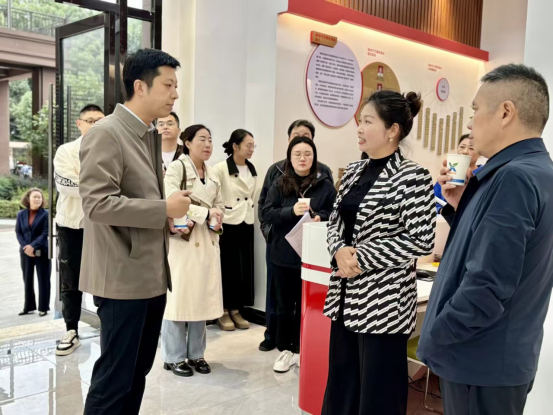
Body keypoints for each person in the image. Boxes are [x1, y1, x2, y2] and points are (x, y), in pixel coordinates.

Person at [418, 64, 553, 415]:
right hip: (499, 363)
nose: (470, 123)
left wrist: (435, 334)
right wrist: (459, 206)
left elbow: (487, 287)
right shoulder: (538, 171)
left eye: (476, 110)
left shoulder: (514, 178)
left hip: (478, 363)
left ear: (506, 112)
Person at [79, 49, 191, 414]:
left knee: (136, 374)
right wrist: (164, 209)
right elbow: (97, 204)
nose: (175, 94)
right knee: (115, 380)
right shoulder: (107, 133)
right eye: (168, 85)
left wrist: (167, 218)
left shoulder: (147, 134)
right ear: (140, 86)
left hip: (150, 276)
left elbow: (138, 198)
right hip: (121, 279)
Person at [321, 91, 436, 415]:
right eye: (360, 120)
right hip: (344, 297)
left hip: (384, 305)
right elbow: (335, 221)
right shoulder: (354, 171)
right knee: (342, 386)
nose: (359, 127)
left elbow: (422, 240)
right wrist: (338, 250)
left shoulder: (413, 177)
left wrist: (360, 256)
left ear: (392, 130)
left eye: (368, 121)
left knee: (378, 394)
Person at [258, 119, 333, 352]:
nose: (302, 158)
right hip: (283, 252)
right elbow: (266, 211)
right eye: (297, 154)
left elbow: (335, 212)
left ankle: (303, 347)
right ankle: (282, 346)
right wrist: (290, 211)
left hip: (312, 256)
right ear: (290, 156)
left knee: (306, 303)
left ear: (314, 155)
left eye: (307, 154)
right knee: (282, 304)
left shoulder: (325, 183)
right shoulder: (279, 181)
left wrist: (320, 216)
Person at [161, 124, 225, 377]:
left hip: (207, 241)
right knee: (179, 301)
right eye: (202, 139)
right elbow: (170, 200)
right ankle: (173, 356)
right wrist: (205, 213)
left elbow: (219, 204)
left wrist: (217, 218)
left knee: (201, 299)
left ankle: (197, 354)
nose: (208, 144)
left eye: (210, 140)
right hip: (183, 242)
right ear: (187, 143)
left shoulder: (213, 172)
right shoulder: (177, 168)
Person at [54, 103, 105, 356]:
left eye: (100, 121)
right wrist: (99, 187)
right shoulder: (66, 151)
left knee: (103, 279)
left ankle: (108, 329)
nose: (95, 125)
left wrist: (83, 180)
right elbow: (65, 184)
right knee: (70, 281)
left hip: (102, 226)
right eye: (90, 121)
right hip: (72, 225)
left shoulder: (111, 150)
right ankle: (71, 329)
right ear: (79, 123)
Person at [213, 129, 257, 331]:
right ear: (235, 146)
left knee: (242, 268)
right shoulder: (220, 168)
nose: (251, 149)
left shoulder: (252, 168)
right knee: (226, 267)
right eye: (248, 145)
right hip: (228, 222)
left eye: (253, 146)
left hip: (246, 221)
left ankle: (236, 309)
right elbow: (215, 195)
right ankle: (222, 311)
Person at [15, 188, 51, 317]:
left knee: (43, 279)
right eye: (34, 197)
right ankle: (28, 307)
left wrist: (33, 246)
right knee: (27, 279)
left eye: (39, 197)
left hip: (42, 251)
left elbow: (45, 233)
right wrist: (26, 247)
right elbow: (18, 232)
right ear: (28, 199)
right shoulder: (21, 214)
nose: (37, 199)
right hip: (25, 252)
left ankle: (43, 307)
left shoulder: (46, 214)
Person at [434, 133, 480, 214]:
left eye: (471, 148)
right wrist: (442, 211)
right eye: (462, 147)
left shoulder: (485, 175)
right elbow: (431, 201)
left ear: (480, 153)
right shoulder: (448, 176)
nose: (465, 152)